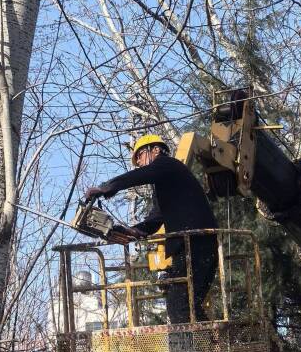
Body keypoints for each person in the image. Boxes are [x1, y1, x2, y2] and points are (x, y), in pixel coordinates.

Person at [82, 133, 218, 325]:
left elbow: (141, 175)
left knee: (180, 305)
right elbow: (156, 218)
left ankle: (202, 344)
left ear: (155, 150)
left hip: (195, 244)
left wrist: (107, 187)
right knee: (186, 305)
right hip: (195, 245)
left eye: (140, 156)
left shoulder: (168, 164)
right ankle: (213, 341)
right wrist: (134, 231)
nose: (139, 163)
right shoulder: (168, 183)